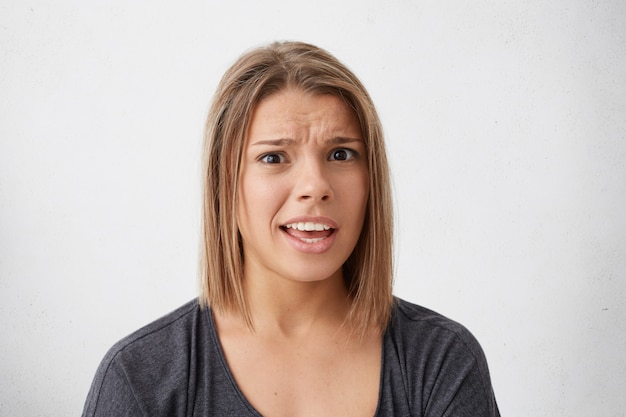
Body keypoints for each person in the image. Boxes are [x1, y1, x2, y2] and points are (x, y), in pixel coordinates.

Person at [81, 41, 500, 417]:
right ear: (224, 183)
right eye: (274, 157)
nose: (316, 186)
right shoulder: (140, 378)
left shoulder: (442, 361)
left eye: (341, 153)